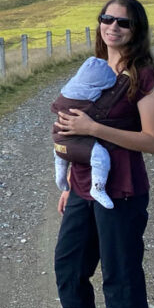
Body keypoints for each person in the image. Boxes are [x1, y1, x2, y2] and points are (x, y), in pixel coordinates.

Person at [37, 0, 154, 308]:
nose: (113, 26)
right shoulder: (96, 66)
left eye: (123, 22)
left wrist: (94, 128)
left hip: (121, 191)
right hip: (82, 186)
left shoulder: (146, 76)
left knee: (120, 279)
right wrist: (68, 186)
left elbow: (153, 141)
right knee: (69, 267)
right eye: (106, 18)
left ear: (136, 29)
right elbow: (75, 134)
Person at [51, 56, 119, 209]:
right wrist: (92, 127)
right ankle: (98, 188)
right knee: (100, 157)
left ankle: (61, 177)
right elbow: (98, 116)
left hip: (58, 141)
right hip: (77, 144)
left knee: (61, 156)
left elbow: (54, 107)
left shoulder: (66, 94)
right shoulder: (89, 101)